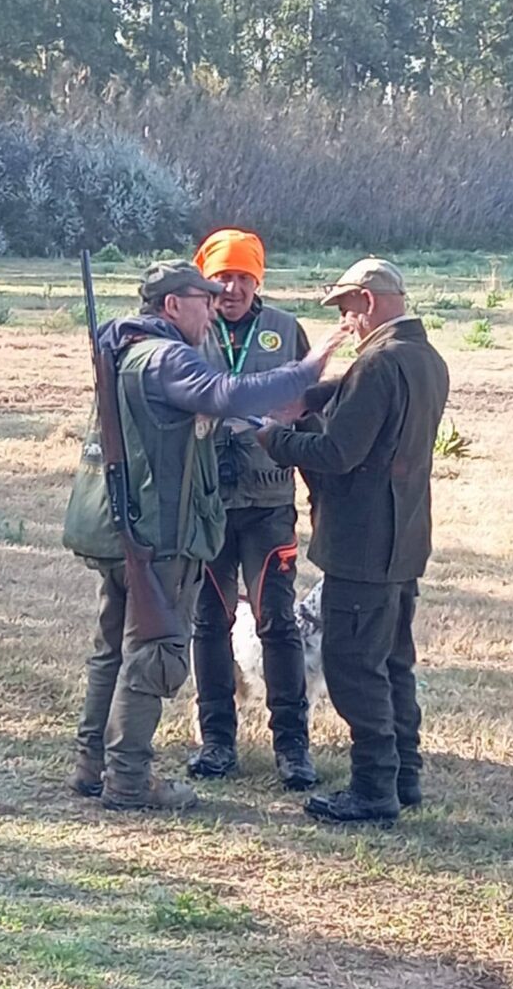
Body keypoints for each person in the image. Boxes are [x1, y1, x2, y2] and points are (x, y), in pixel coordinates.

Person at [63, 260, 344, 812]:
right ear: (172, 306)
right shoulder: (166, 356)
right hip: (160, 533)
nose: (215, 306)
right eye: (204, 297)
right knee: (157, 652)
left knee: (110, 652)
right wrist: (307, 369)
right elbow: (225, 394)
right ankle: (128, 779)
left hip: (119, 525)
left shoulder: (119, 349)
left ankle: (89, 764)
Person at [258, 258, 449, 823]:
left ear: (367, 302)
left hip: (363, 542)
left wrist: (273, 438)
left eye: (347, 310)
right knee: (392, 662)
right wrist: (314, 399)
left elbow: (337, 454)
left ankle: (373, 789)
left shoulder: (379, 365)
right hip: (405, 536)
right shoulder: (425, 357)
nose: (346, 322)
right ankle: (403, 776)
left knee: (352, 664)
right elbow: (366, 400)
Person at [186, 228, 318, 789]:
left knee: (277, 623)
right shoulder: (188, 331)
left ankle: (293, 748)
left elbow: (313, 413)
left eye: (244, 276)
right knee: (209, 621)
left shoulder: (286, 331)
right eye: (222, 277)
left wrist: (321, 489)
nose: (232, 287)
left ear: (257, 281)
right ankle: (217, 742)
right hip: (208, 504)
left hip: (268, 504)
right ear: (205, 280)